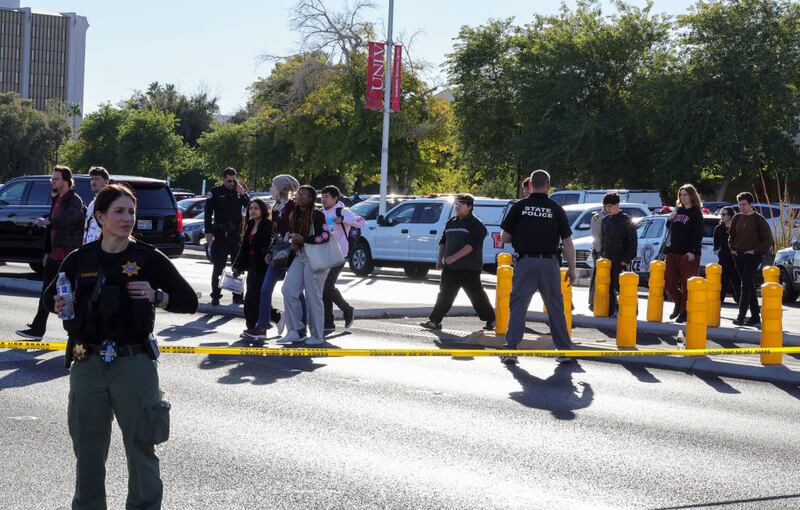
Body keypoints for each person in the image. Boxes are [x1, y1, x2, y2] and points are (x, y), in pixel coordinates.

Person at [45, 183, 198, 509]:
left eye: (131, 211)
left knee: (141, 445)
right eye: (119, 211)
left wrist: (158, 296)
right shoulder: (79, 258)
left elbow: (189, 300)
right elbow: (49, 298)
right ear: (100, 217)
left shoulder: (147, 258)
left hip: (134, 362)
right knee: (87, 449)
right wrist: (59, 303)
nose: (128, 218)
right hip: (88, 362)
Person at [499, 169, 576, 365]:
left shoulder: (520, 206)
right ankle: (564, 350)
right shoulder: (556, 208)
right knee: (555, 308)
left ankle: (511, 349)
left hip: (526, 262)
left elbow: (505, 238)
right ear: (548, 186)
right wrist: (572, 269)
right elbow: (567, 241)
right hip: (550, 263)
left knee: (518, 306)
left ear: (530, 185)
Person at [16, 165, 85, 340]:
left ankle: (77, 333)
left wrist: (48, 221)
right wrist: (47, 252)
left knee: (69, 296)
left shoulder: (74, 200)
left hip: (68, 257)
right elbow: (52, 230)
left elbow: (68, 220)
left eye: (56, 179)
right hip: (54, 256)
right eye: (52, 178)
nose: (52, 181)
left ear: (67, 181)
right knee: (47, 293)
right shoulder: (57, 199)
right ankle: (38, 329)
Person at [420, 193, 496, 331]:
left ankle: (491, 319)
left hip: (469, 268)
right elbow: (443, 241)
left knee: (476, 295)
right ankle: (435, 321)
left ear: (470, 206)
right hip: (450, 268)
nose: (457, 206)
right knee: (444, 294)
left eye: (460, 204)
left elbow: (471, 246)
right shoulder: (451, 222)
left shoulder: (477, 225)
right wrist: (439, 259)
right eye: (456, 204)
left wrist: (452, 258)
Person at [278, 185, 331, 346]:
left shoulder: (317, 214)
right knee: (288, 289)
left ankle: (317, 335)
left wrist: (303, 239)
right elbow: (292, 233)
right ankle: (295, 330)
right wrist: (292, 240)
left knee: (313, 296)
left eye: (304, 195)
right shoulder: (295, 214)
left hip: (315, 259)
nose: (299, 197)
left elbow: (324, 236)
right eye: (298, 194)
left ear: (311, 198)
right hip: (300, 256)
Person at [253, 174, 306, 334]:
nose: (271, 188)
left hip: (294, 253)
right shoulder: (275, 207)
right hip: (279, 253)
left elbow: (298, 229)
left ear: (282, 188)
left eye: (273, 186)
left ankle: (301, 327)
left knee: (296, 292)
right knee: (265, 288)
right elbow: (274, 232)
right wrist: (270, 251)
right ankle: (263, 325)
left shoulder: (294, 207)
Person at [320, 185, 365, 335]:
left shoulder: (342, 211)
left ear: (335, 198)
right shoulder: (320, 213)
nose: (323, 199)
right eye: (322, 196)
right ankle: (328, 323)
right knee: (325, 290)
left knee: (327, 287)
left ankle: (346, 310)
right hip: (323, 255)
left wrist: (343, 219)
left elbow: (361, 222)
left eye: (327, 196)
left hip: (339, 255)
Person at [205, 167, 249, 306]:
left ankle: (237, 295)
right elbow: (207, 213)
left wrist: (243, 194)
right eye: (229, 180)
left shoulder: (238, 192)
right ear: (222, 179)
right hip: (220, 234)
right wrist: (208, 232)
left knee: (238, 266)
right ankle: (215, 296)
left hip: (235, 235)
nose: (231, 183)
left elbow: (250, 206)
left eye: (233, 180)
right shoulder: (215, 192)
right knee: (219, 266)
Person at [729, 192, 773, 326]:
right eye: (740, 204)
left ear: (750, 204)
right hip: (738, 255)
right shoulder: (736, 218)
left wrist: (755, 250)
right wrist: (732, 249)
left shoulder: (759, 219)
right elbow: (731, 235)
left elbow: (768, 240)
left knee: (745, 284)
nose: (741, 207)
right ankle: (755, 316)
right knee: (748, 285)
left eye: (744, 204)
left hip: (753, 256)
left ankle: (741, 317)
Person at [233, 198, 273, 340]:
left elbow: (267, 246)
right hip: (251, 265)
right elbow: (243, 248)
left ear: (262, 210)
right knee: (252, 297)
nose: (253, 211)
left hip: (262, 266)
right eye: (250, 208)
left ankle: (257, 328)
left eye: (256, 208)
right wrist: (237, 265)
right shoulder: (250, 224)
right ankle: (254, 326)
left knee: (253, 297)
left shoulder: (267, 224)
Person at [664, 184, 704, 323]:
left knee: (687, 285)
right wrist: (669, 220)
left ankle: (684, 311)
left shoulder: (696, 212)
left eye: (686, 194)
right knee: (668, 282)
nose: (683, 197)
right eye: (681, 194)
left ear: (692, 196)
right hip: (673, 251)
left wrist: (692, 251)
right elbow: (670, 228)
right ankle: (679, 302)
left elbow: (698, 234)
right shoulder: (679, 210)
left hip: (688, 253)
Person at [599, 192, 638, 317]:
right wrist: (602, 255)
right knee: (608, 287)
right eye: (606, 206)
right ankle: (611, 310)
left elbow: (633, 242)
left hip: (620, 260)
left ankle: (631, 309)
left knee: (622, 287)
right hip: (607, 260)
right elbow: (603, 240)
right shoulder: (605, 220)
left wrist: (626, 260)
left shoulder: (626, 219)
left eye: (610, 206)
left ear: (617, 205)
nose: (608, 209)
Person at [713, 206, 740, 305]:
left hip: (735, 260)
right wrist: (718, 252)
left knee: (737, 282)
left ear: (730, 216)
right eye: (721, 214)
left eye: (724, 214)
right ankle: (718, 303)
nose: (722, 216)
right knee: (722, 283)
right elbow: (716, 246)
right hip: (723, 260)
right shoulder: (719, 228)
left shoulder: (737, 227)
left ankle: (741, 303)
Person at [587, 203, 610, 310]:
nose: (610, 208)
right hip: (599, 251)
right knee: (597, 276)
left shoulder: (614, 215)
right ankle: (592, 301)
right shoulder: (598, 217)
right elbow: (596, 236)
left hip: (609, 251)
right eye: (608, 206)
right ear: (604, 206)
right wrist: (599, 252)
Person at [83, 166, 110, 244]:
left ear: (106, 181)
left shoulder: (110, 201)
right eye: (91, 179)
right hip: (90, 248)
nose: (93, 182)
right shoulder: (92, 203)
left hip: (102, 248)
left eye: (96, 179)